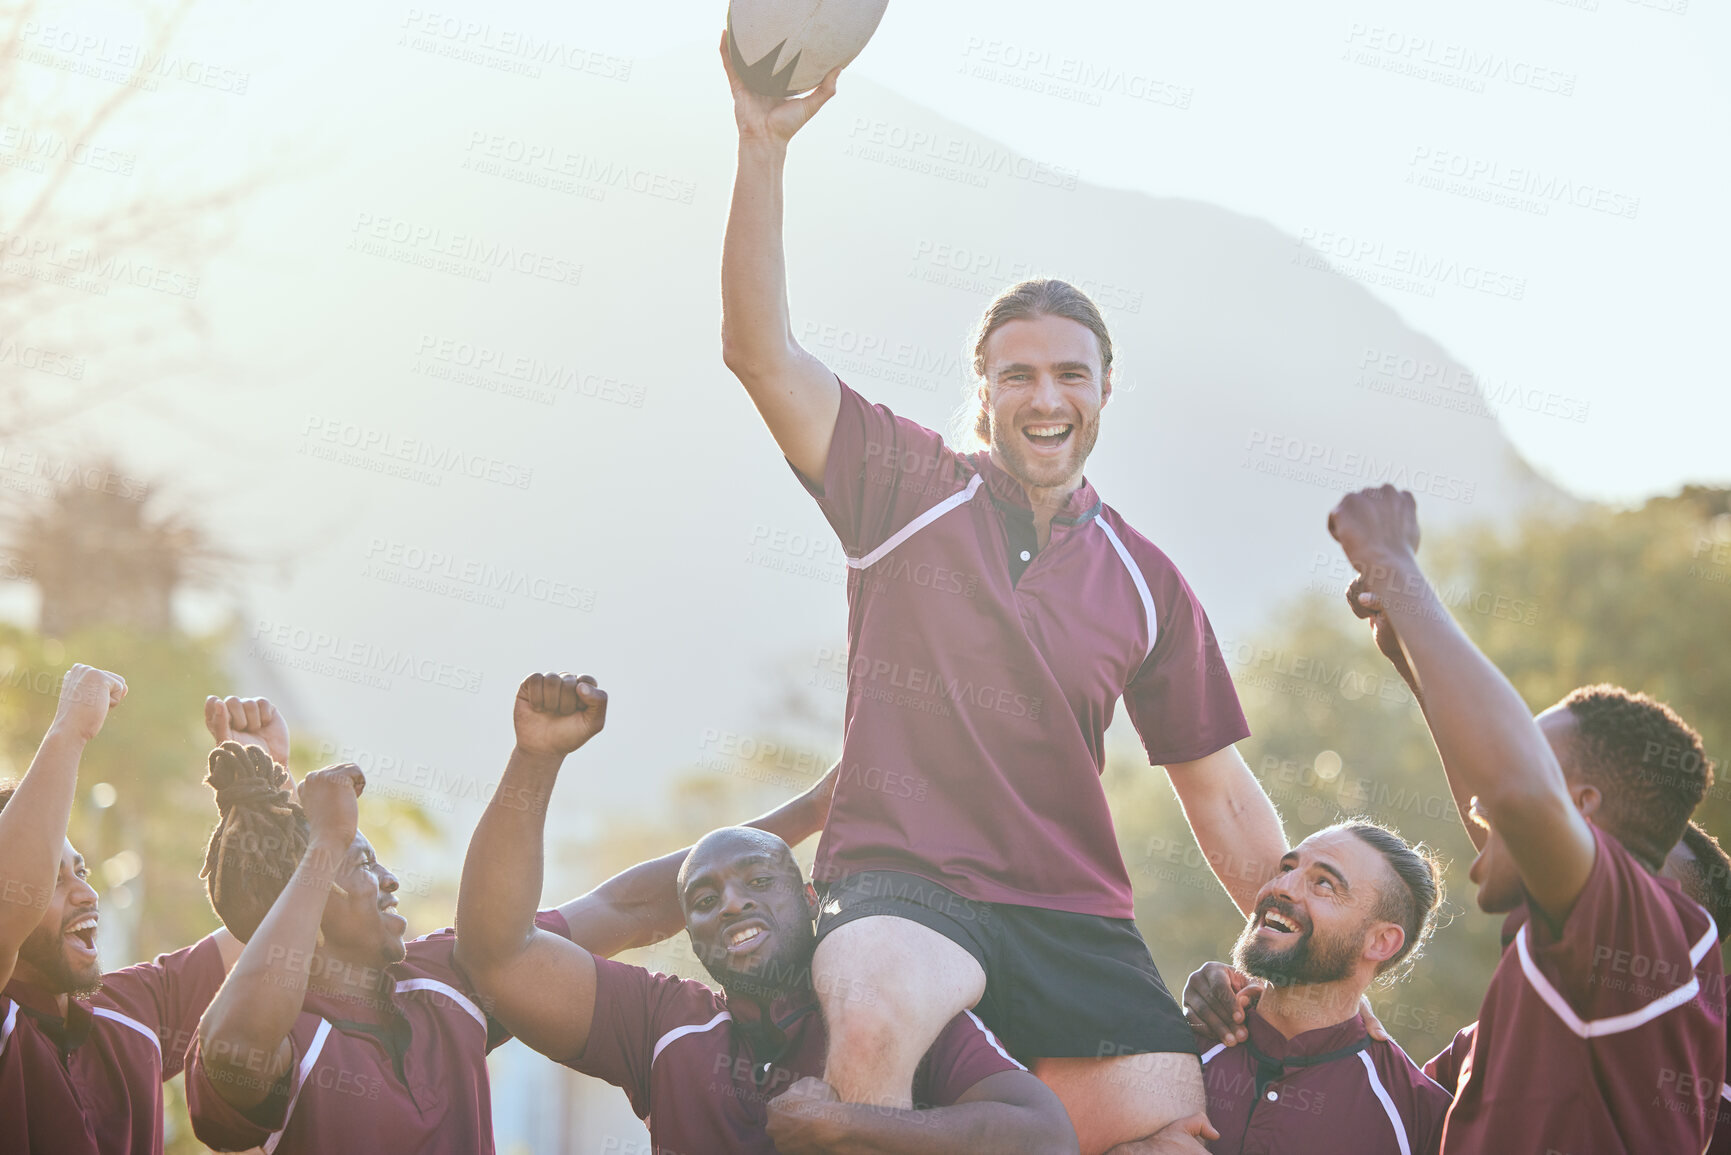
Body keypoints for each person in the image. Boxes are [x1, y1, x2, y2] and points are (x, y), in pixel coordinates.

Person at [715, 38, 1281, 1155]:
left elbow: (1221, 799)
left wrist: (1302, 944)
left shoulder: (1146, 581)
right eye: (1018, 373)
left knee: (1176, 1130)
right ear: (983, 395)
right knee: (872, 1016)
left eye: (1071, 372)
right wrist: (761, 146)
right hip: (905, 892)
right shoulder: (899, 485)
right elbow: (759, 352)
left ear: (1106, 392)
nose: (1046, 394)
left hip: (1070, 918)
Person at [455, 671, 1081, 1155]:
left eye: (759, 880)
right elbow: (501, 955)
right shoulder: (661, 1025)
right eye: (703, 901)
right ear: (694, 942)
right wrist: (536, 758)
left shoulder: (892, 1005)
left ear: (810, 901)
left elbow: (1046, 1137)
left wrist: (848, 1123)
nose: (732, 903)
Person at [1327, 485, 1725, 1153]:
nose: (1478, 808)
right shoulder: (1564, 967)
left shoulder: (1637, 928)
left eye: (1540, 769)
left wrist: (1392, 558)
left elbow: (1512, 793)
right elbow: (1502, 802)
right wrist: (1406, 650)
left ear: (1578, 809)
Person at [0, 670, 273, 1154]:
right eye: (52, 879)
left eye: (80, 871)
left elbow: (269, 937)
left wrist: (264, 792)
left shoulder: (134, 1012)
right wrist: (70, 731)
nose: (86, 893)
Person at [1175, 821, 1451, 1154]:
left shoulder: (1422, 1120)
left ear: (1380, 941)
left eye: (1323, 883)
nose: (1281, 886)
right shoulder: (1174, 1043)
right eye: (1286, 868)